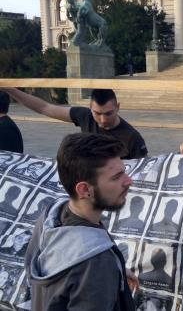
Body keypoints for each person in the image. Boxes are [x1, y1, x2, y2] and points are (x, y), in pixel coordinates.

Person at [24, 133, 136, 310]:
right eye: (116, 177)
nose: (129, 181)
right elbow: (88, 266)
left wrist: (117, 270)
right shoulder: (97, 263)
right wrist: (102, 273)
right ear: (84, 190)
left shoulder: (52, 214)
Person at [3, 88, 147, 160]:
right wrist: (8, 89)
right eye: (97, 113)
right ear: (90, 107)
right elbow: (44, 108)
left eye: (108, 113)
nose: (103, 120)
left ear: (118, 107)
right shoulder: (85, 116)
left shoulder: (132, 138)